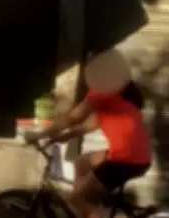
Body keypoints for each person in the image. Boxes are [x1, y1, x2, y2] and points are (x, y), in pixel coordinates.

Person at [25, 49, 152, 218]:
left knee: (76, 198)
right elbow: (88, 125)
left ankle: (86, 205)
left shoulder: (103, 92)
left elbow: (73, 118)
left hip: (125, 160)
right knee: (82, 162)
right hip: (137, 157)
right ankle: (88, 206)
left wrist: (41, 135)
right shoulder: (119, 95)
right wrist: (62, 137)